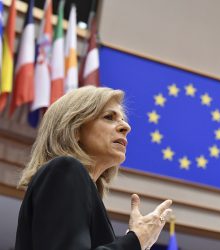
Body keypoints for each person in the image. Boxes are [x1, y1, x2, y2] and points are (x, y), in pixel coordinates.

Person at [15, 86, 172, 250]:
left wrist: (138, 241)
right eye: (109, 117)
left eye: (122, 119)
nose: (126, 127)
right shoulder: (65, 169)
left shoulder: (77, 185)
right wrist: (136, 240)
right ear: (75, 130)